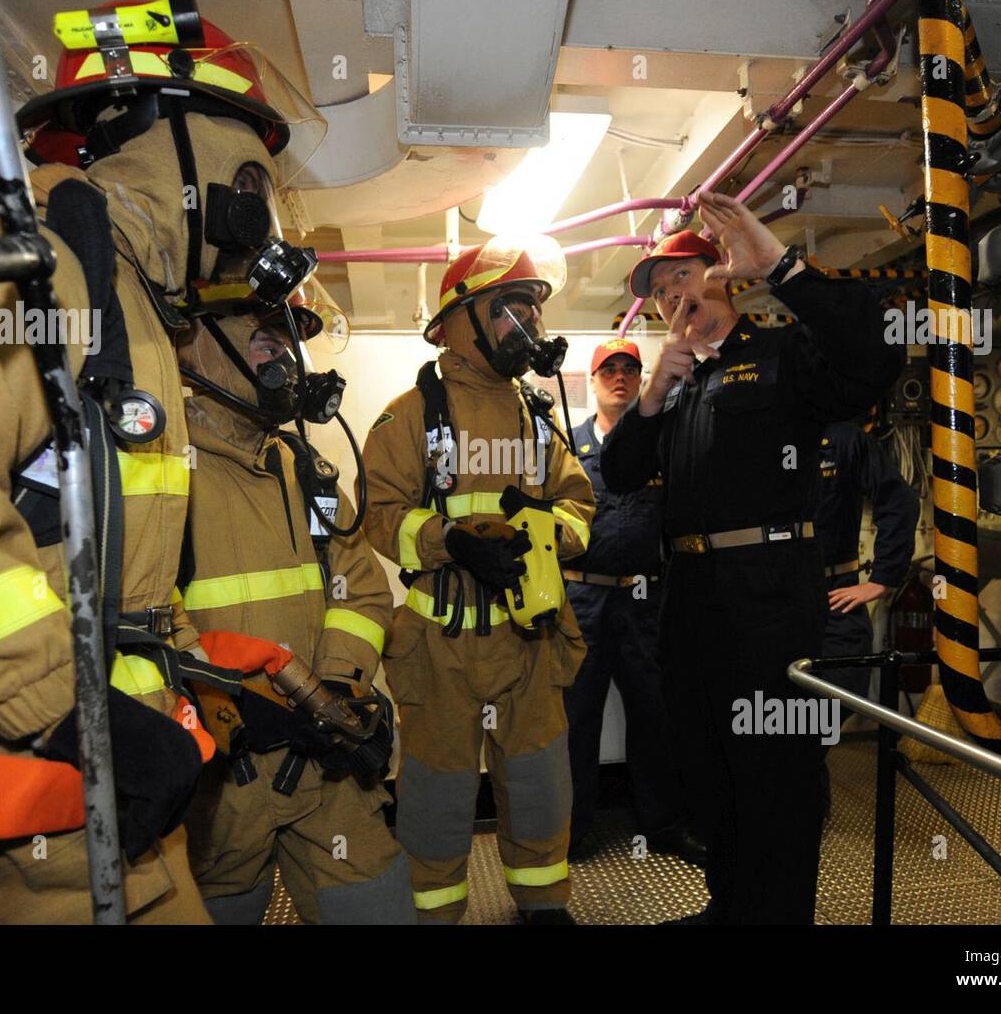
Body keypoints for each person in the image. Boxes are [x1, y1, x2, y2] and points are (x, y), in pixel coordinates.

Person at [0, 3, 321, 924]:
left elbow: (120, 580)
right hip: (44, 820)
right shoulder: (36, 275)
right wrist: (67, 714)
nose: (257, 212)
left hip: (126, 802)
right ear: (173, 144)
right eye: (248, 172)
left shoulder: (132, 315)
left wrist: (201, 686)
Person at [601, 193, 905, 924]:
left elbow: (874, 352)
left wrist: (783, 268)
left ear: (724, 274)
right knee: (707, 773)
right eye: (660, 290)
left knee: (775, 779)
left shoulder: (779, 354)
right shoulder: (676, 386)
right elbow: (618, 474)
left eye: (685, 277)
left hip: (767, 603)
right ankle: (730, 907)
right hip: (692, 603)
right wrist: (651, 396)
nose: (674, 296)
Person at [362, 241, 595, 924]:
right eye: (510, 309)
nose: (526, 326)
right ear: (460, 321)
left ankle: (544, 904)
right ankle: (434, 913)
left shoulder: (537, 420)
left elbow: (582, 507)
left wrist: (541, 536)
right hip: (440, 644)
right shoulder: (408, 418)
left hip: (530, 639)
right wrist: (450, 542)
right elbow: (379, 517)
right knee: (437, 795)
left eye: (531, 312)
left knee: (541, 786)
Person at [174, 300, 415, 925]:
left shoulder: (304, 471)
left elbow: (359, 588)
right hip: (217, 789)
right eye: (259, 339)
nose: (280, 357)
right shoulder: (159, 470)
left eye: (286, 343)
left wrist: (335, 685)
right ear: (198, 346)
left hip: (324, 768)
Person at [563, 338, 705, 866]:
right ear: (593, 379)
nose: (619, 378)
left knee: (655, 713)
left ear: (642, 378)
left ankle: (664, 825)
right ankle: (572, 834)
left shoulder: (662, 442)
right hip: (582, 598)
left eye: (629, 369)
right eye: (609, 370)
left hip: (647, 600)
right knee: (577, 718)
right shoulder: (565, 445)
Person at [815, 419, 919, 817]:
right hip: (775, 598)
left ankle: (806, 789)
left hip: (834, 594)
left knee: (842, 688)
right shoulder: (766, 429)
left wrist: (882, 580)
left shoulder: (843, 438)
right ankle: (800, 806)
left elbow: (900, 501)